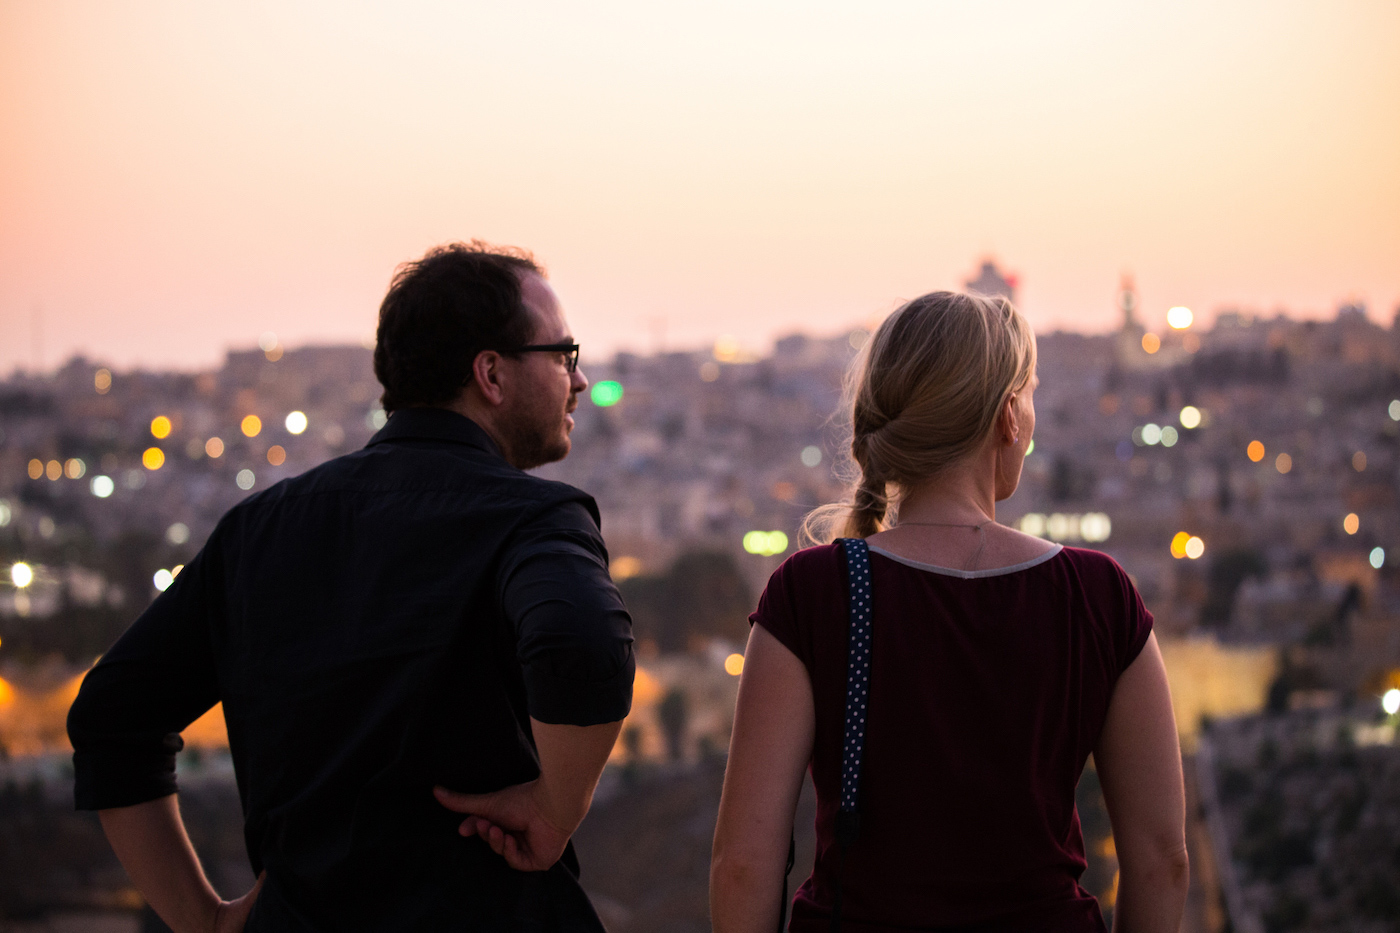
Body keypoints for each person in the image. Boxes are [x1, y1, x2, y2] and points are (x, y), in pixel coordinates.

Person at [67, 242, 635, 932]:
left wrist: (203, 919)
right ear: (491, 373)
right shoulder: (534, 518)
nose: (578, 381)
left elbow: (111, 714)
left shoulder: (260, 530)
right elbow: (583, 646)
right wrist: (554, 806)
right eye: (564, 354)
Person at [711, 291, 1187, 933]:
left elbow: (743, 863)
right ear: (1008, 418)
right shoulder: (1097, 597)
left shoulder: (813, 593)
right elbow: (1161, 862)